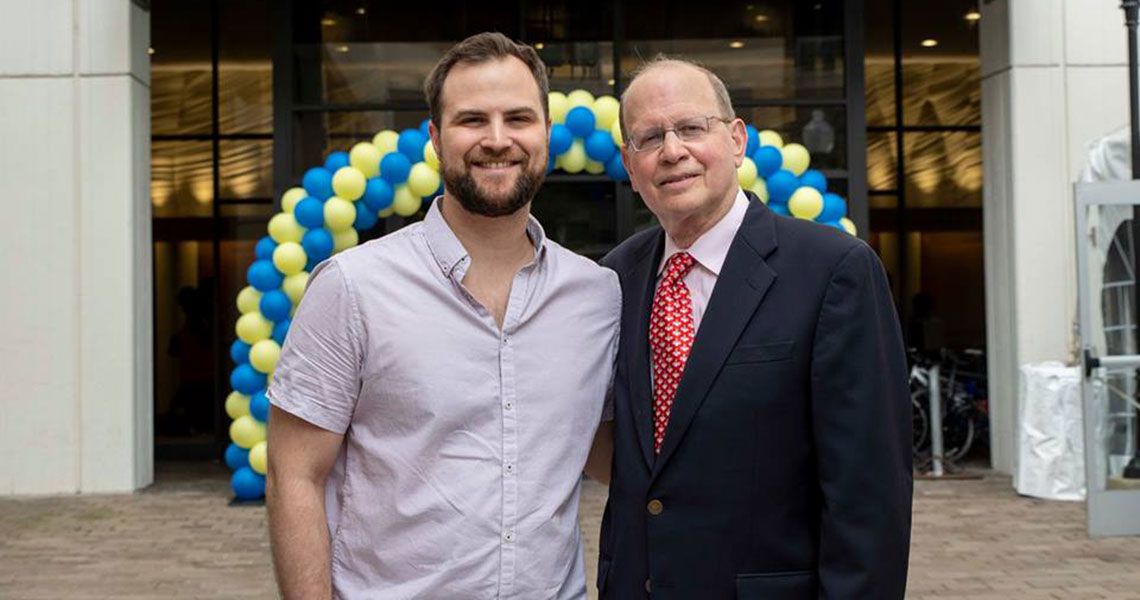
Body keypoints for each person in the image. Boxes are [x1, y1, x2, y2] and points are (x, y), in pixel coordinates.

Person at [264, 32, 620, 599]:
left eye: (519, 118)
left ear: (547, 135)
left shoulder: (596, 295)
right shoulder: (353, 286)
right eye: (472, 119)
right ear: (435, 138)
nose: (498, 140)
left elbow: (608, 456)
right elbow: (294, 476)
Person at [596, 57, 912, 599]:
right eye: (649, 138)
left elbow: (868, 494)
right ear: (630, 163)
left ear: (737, 140)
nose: (673, 151)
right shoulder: (613, 279)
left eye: (692, 128)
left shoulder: (833, 270)